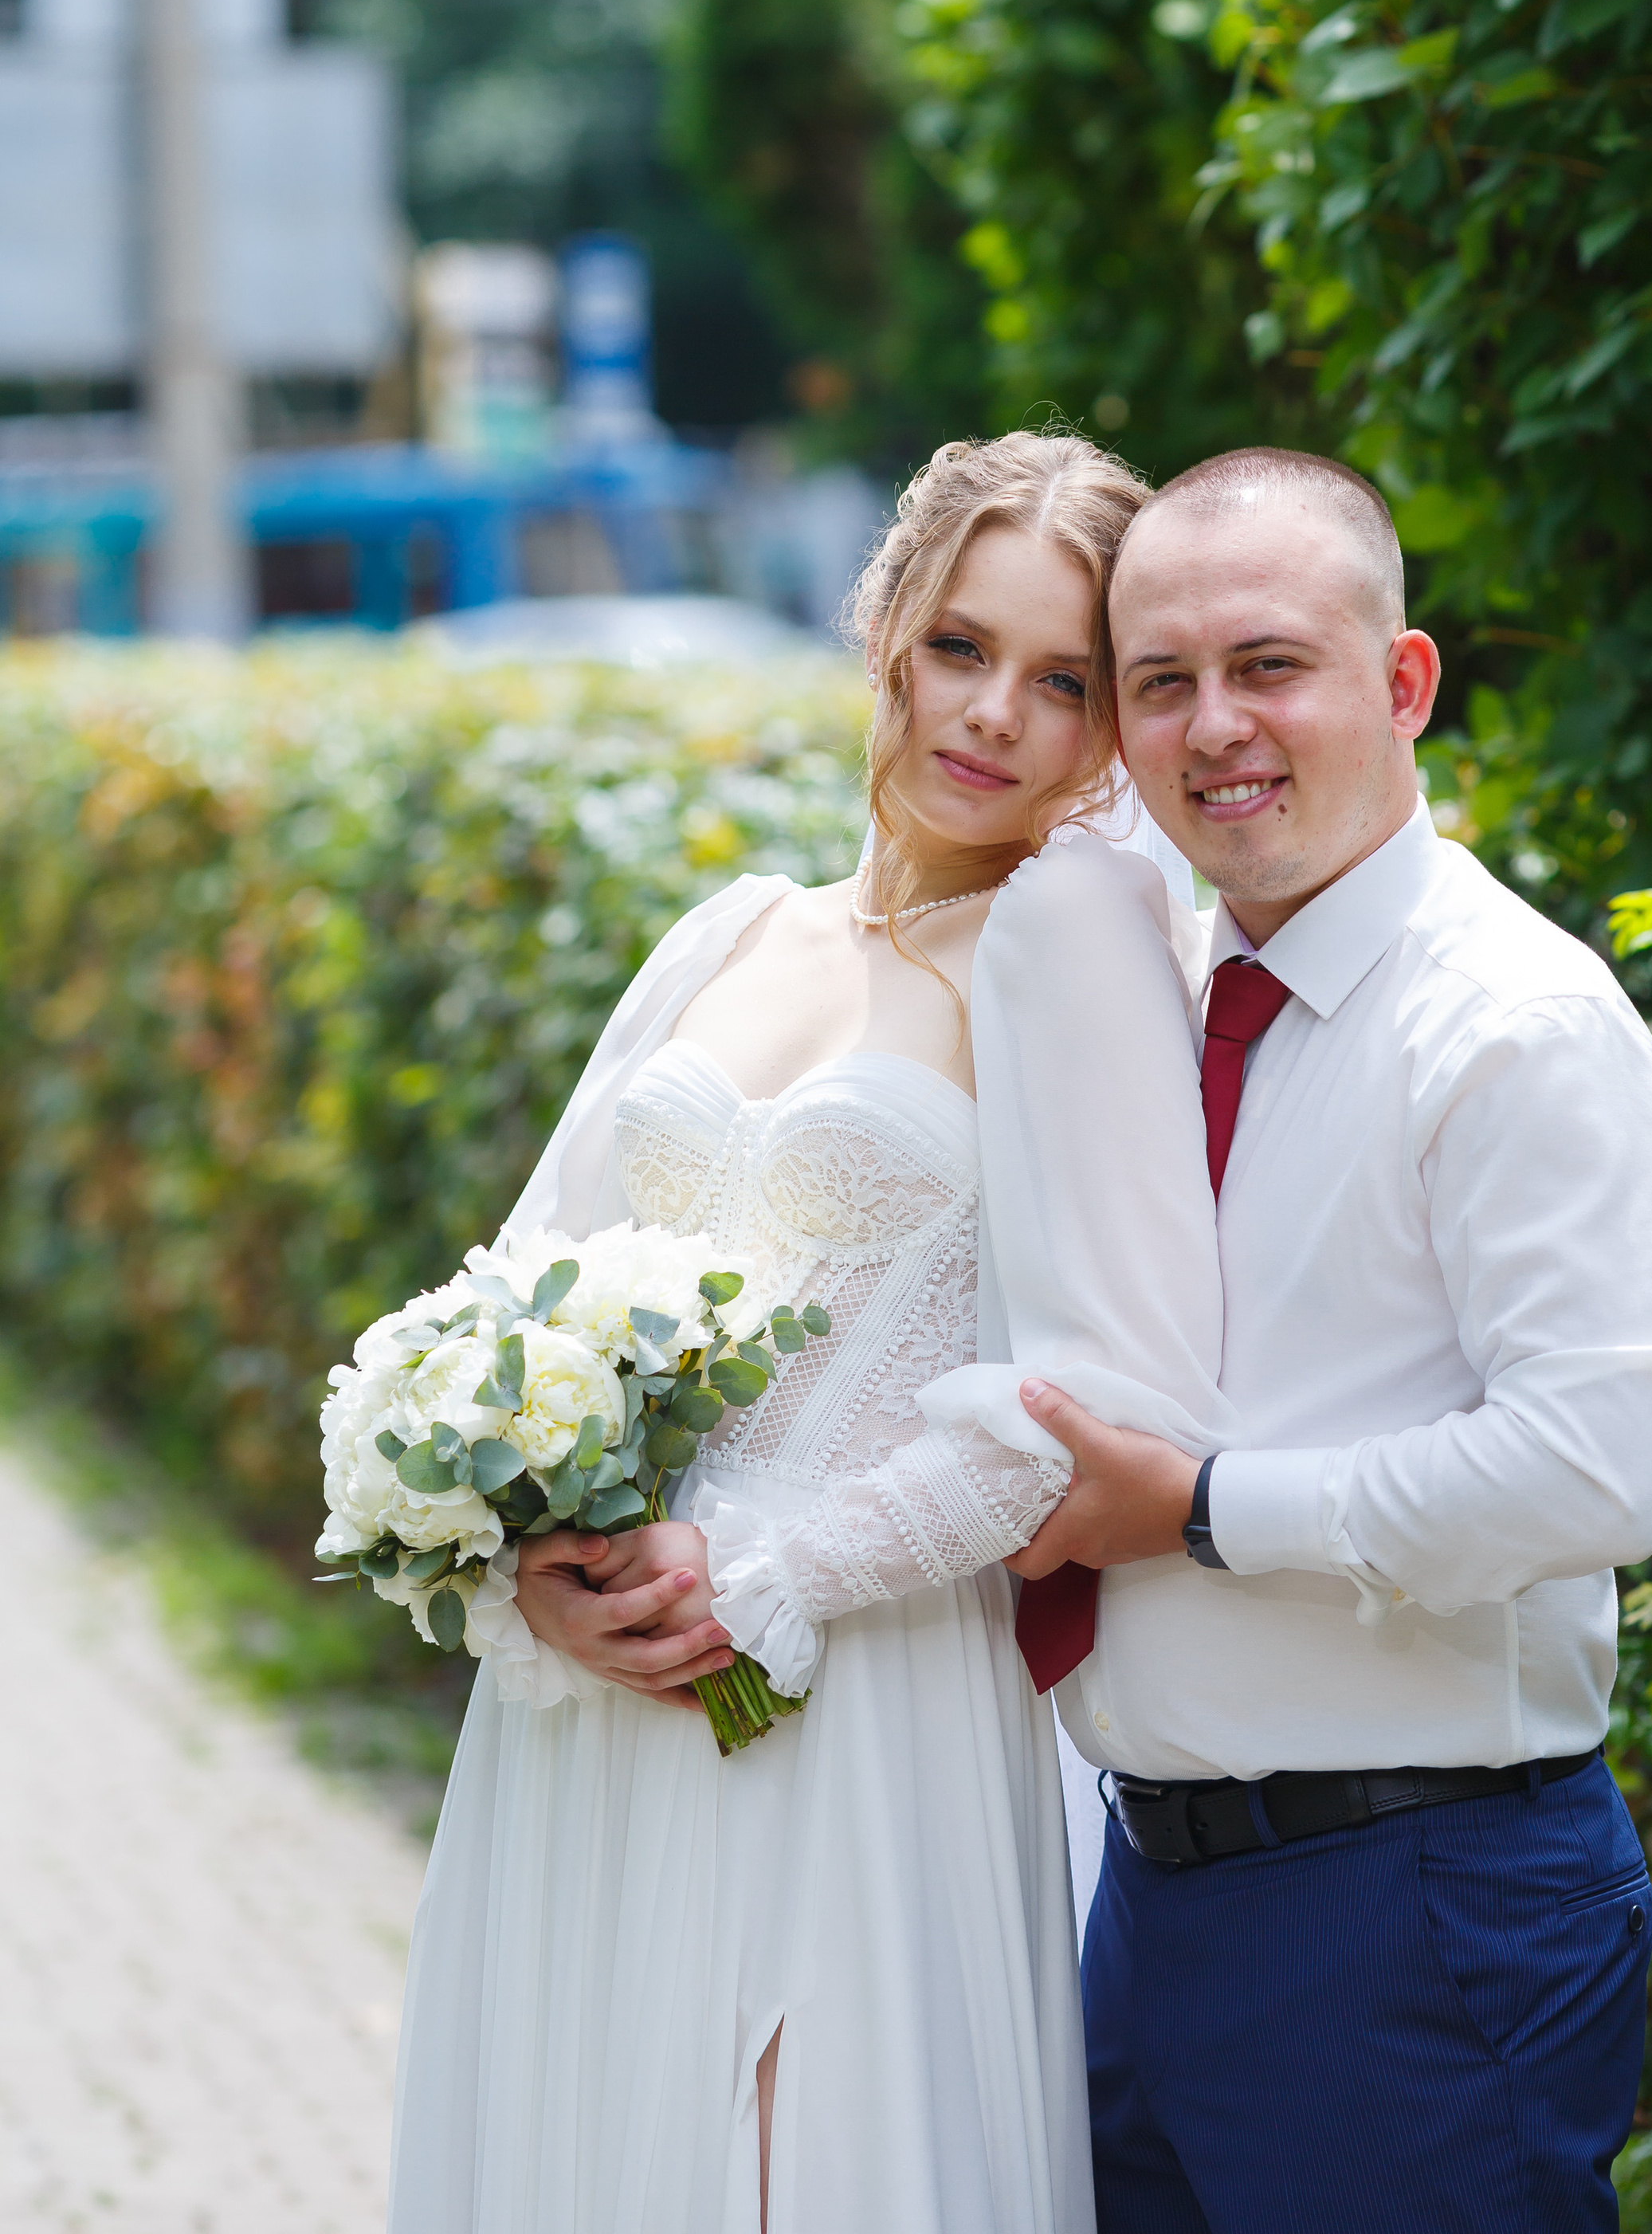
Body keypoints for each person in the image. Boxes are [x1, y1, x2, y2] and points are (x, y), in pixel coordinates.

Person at [385, 430, 1230, 2234]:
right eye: (959, 647)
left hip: (853, 1707)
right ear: (883, 626)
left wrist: (768, 1576)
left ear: (1102, 735)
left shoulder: (1068, 941)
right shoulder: (727, 936)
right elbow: (516, 1292)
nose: (994, 712)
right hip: (593, 1701)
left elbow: (1098, 1397)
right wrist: (522, 1555)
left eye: (1061, 681)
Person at [1001, 446, 1652, 2234]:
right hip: (1153, 1900)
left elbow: (1590, 1472)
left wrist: (1201, 1509)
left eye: (1268, 666)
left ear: (1399, 685)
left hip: (1410, 1910)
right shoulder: (1161, 998)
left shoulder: (1511, 1027)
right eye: (1158, 682)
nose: (1213, 726)